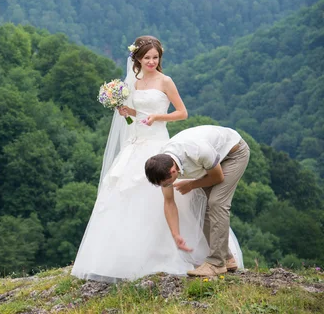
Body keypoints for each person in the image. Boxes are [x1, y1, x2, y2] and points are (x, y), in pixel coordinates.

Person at [71, 36, 243, 282]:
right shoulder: (134, 83)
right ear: (137, 59)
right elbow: (135, 117)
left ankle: (190, 251)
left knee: (165, 195)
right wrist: (126, 112)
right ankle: (122, 258)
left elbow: (182, 113)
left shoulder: (166, 81)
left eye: (155, 57)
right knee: (123, 192)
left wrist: (158, 117)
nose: (151, 62)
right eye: (147, 58)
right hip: (136, 142)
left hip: (159, 144)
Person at [145, 125, 250, 276]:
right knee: (198, 205)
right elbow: (169, 201)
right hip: (210, 163)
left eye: (167, 183)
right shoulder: (162, 165)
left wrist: (191, 184)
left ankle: (216, 263)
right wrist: (176, 234)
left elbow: (217, 177)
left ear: (173, 171)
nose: (167, 186)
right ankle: (227, 259)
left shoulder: (198, 151)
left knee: (217, 202)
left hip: (234, 155)